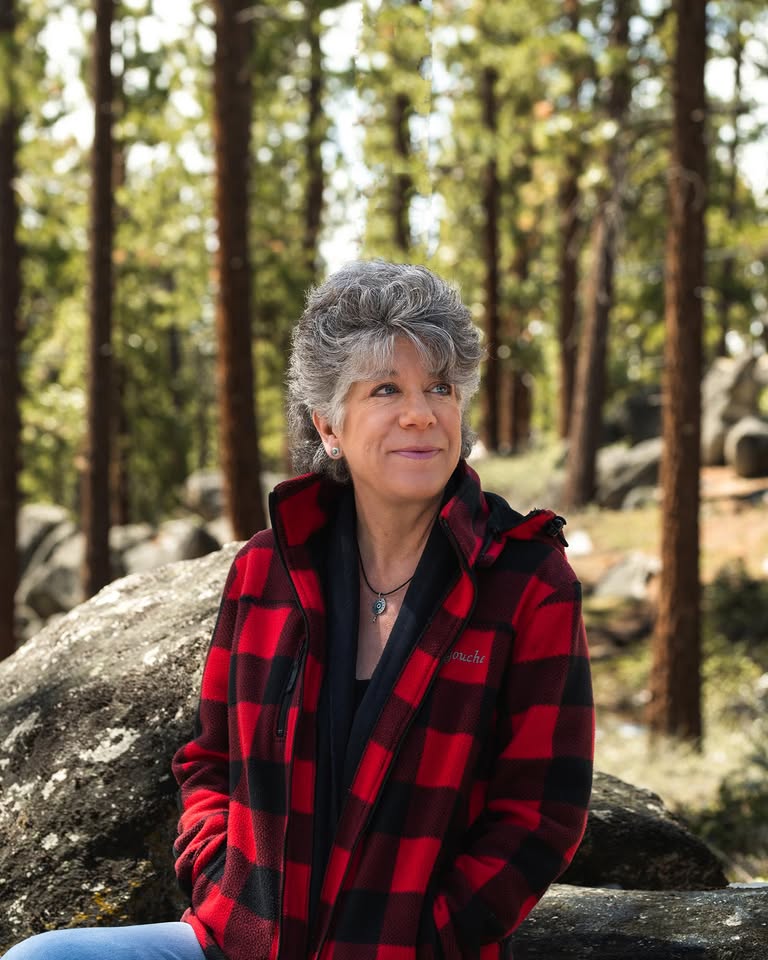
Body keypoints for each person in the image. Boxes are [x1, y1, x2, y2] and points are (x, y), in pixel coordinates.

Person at [4, 260, 593, 960]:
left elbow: (542, 815)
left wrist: (431, 937)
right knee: (43, 958)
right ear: (329, 425)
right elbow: (209, 761)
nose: (422, 413)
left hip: (403, 953)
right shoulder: (266, 569)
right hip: (243, 944)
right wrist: (223, 888)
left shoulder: (526, 579)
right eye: (386, 389)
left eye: (441, 387)